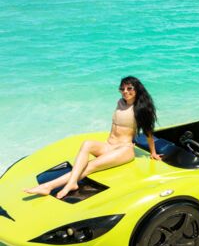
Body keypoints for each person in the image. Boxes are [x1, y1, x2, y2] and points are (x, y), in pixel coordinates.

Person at [25, 76, 161, 200]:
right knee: (87, 144)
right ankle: (71, 182)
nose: (125, 91)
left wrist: (153, 152)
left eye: (129, 88)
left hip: (123, 149)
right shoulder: (120, 102)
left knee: (90, 166)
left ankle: (51, 186)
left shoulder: (141, 108)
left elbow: (148, 132)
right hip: (108, 145)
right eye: (122, 88)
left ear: (137, 89)